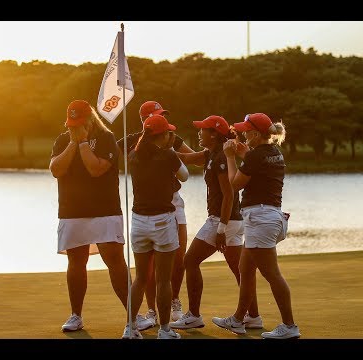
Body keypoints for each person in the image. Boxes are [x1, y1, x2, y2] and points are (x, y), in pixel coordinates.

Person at [212, 113, 300, 339]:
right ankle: (240, 319)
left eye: (245, 130)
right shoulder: (274, 152)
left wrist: (230, 156)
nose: (242, 133)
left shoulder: (255, 156)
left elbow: (235, 184)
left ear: (255, 133)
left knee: (272, 274)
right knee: (246, 269)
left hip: (260, 219)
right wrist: (245, 154)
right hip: (269, 218)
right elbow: (257, 163)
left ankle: (289, 326)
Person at [170, 115, 261, 330]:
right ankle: (254, 317)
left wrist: (221, 227)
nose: (199, 133)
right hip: (233, 221)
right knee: (240, 270)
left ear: (214, 134)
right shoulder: (211, 153)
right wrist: (158, 149)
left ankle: (193, 315)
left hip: (223, 220)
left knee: (190, 261)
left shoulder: (221, 158)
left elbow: (229, 195)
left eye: (203, 130)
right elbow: (187, 158)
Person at [49, 100, 129, 333]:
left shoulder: (107, 138)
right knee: (76, 261)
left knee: (114, 260)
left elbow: (96, 169)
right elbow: (56, 170)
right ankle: (76, 315)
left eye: (79, 123)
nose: (74, 127)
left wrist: (83, 141)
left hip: (104, 210)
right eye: (71, 124)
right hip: (72, 211)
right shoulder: (63, 140)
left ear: (90, 119)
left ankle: (133, 314)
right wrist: (74, 142)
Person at [117, 101, 194, 330]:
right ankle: (165, 329)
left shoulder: (133, 155)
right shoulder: (169, 155)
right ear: (163, 135)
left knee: (140, 278)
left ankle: (130, 328)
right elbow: (185, 176)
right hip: (162, 221)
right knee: (162, 280)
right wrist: (170, 150)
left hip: (138, 222)